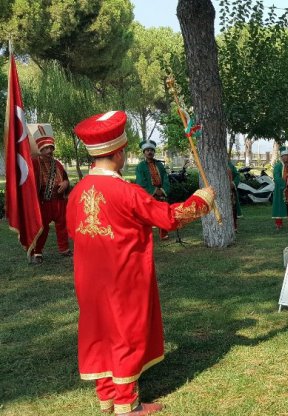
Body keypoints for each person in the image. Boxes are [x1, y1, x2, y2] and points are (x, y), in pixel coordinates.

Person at [68, 110, 215, 415]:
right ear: (119, 152)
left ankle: (106, 397)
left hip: (89, 279)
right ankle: (127, 404)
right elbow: (168, 216)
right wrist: (201, 201)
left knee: (100, 332)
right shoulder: (126, 192)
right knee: (124, 333)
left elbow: (73, 231)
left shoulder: (77, 191)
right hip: (122, 277)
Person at [29, 123, 71, 264]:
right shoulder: (35, 163)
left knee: (62, 225)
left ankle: (64, 249)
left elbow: (65, 179)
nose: (48, 151)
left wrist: (65, 184)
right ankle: (37, 252)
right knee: (42, 229)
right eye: (45, 148)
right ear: (40, 149)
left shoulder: (57, 164)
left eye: (50, 148)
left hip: (59, 201)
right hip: (44, 202)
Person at [135, 140, 171, 241]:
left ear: (154, 152)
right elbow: (141, 181)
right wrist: (154, 191)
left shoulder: (160, 165)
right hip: (149, 194)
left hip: (161, 192)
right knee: (146, 216)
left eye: (151, 150)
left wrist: (162, 190)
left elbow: (165, 178)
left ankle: (163, 233)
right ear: (144, 152)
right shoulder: (140, 166)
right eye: (147, 150)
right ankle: (145, 236)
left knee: (163, 213)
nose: (150, 152)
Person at [272, 146, 288, 230]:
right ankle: (278, 223)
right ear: (281, 156)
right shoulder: (278, 166)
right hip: (280, 190)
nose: (286, 157)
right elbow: (276, 178)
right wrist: (285, 185)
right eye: (284, 155)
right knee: (279, 206)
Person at [227, 160, 241, 230]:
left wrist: (233, 183)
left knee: (233, 208)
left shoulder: (230, 165)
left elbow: (237, 175)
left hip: (230, 191)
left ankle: (234, 226)